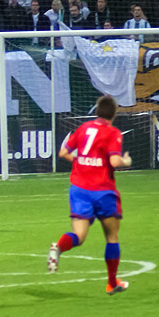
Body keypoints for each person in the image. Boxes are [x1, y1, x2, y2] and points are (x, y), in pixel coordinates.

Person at [47, 95, 132, 295]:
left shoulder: (83, 128)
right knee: (111, 236)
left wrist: (81, 163)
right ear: (114, 113)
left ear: (96, 111)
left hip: (79, 189)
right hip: (102, 190)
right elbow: (114, 162)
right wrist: (126, 161)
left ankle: (58, 247)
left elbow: (63, 152)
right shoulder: (112, 133)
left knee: (79, 235)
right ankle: (112, 283)